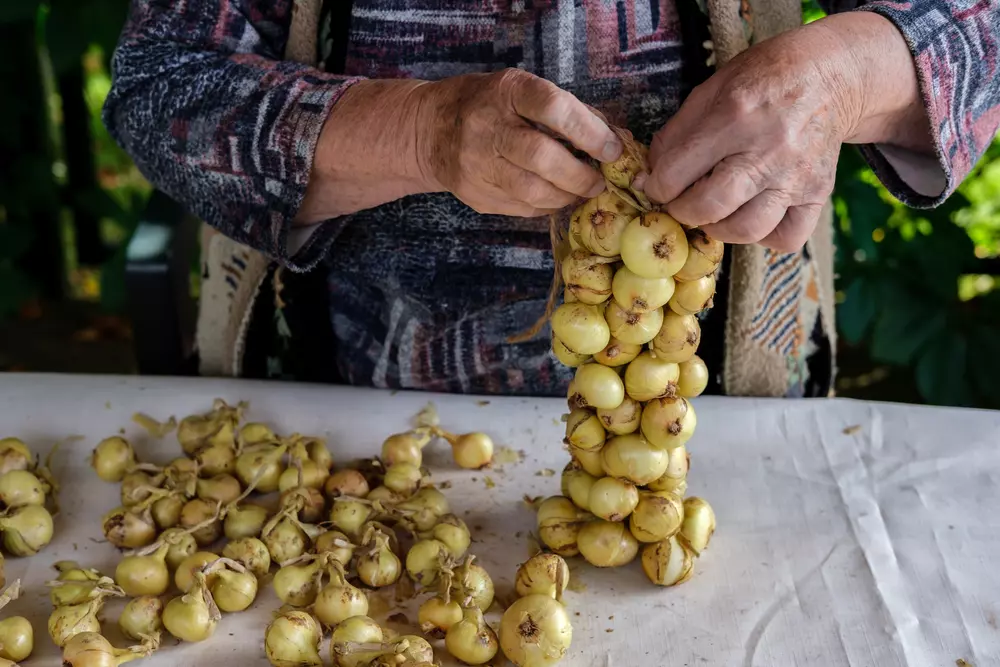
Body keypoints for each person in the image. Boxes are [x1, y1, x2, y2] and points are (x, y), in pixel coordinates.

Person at [103, 0, 999, 398]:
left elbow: (978, 25)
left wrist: (842, 79)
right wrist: (423, 133)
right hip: (347, 405)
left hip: (713, 403)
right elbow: (161, 87)